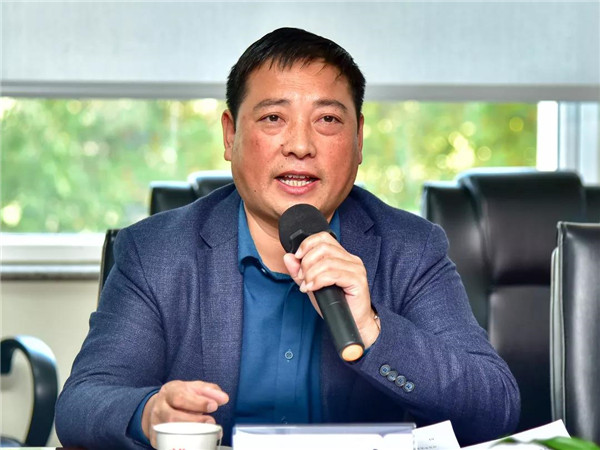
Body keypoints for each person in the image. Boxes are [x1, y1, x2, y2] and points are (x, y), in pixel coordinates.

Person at [55, 27, 520, 449]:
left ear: (359, 139)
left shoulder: (410, 248)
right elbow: (82, 403)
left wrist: (373, 329)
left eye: (328, 120)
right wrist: (148, 414)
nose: (300, 145)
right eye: (274, 118)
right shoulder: (156, 252)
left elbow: (495, 409)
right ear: (230, 135)